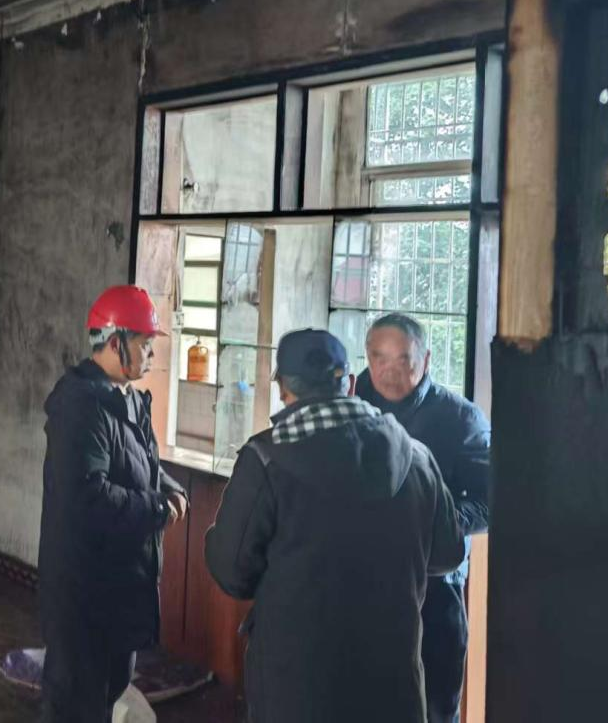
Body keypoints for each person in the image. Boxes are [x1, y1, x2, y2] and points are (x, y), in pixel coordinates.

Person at [205, 328, 464, 723]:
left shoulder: (266, 459)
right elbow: (448, 553)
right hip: (393, 684)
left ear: (282, 388)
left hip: (297, 688)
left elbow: (233, 573)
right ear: (351, 384)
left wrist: (215, 538)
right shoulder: (416, 456)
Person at [37, 285, 189, 723]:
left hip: (120, 586)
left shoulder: (126, 398)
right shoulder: (81, 407)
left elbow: (141, 463)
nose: (151, 354)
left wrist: (169, 487)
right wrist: (157, 509)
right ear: (115, 341)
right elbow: (87, 496)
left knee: (107, 694)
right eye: (144, 343)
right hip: (85, 592)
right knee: (75, 704)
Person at [357, 313, 492, 723]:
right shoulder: (352, 407)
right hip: (359, 586)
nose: (389, 371)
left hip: (433, 588)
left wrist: (436, 525)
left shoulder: (460, 418)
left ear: (427, 359)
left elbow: (490, 503)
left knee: (433, 707)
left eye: (403, 359)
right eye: (379, 358)